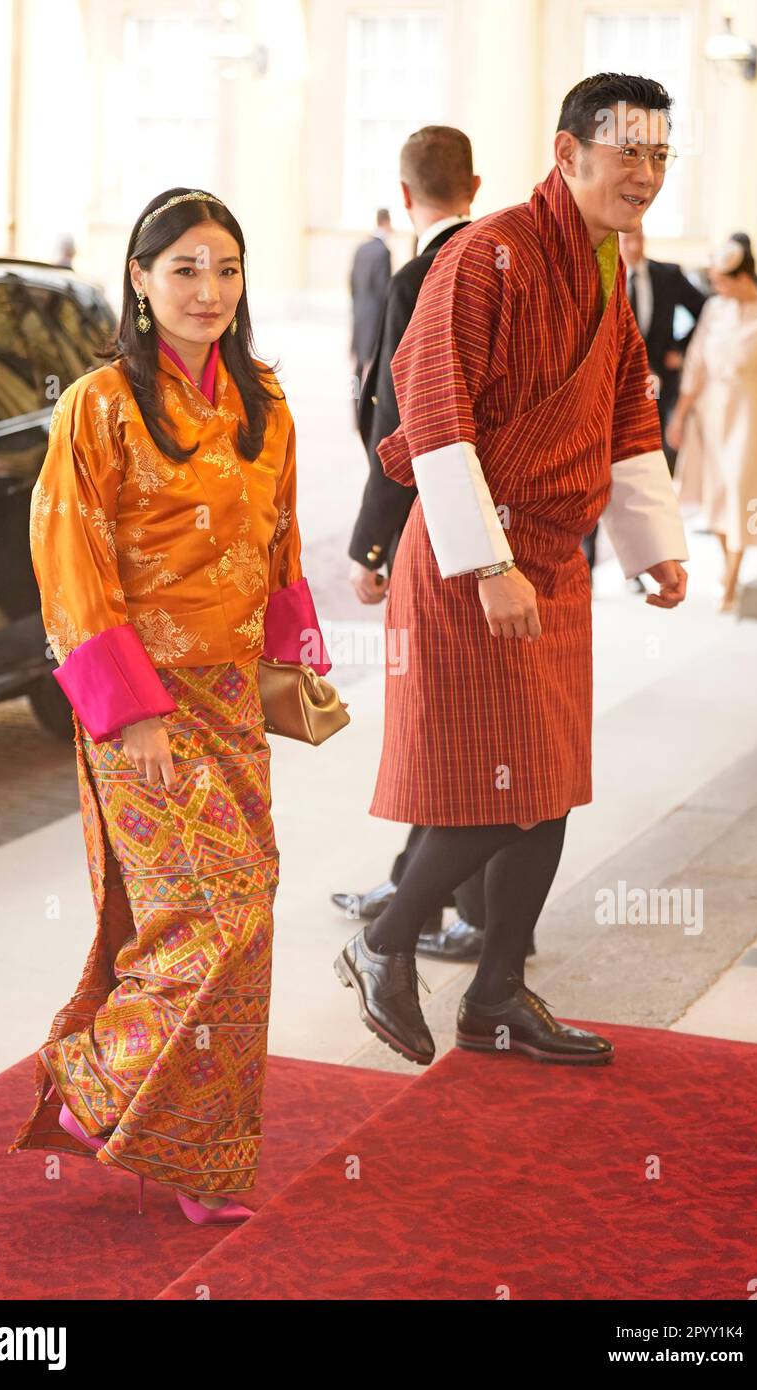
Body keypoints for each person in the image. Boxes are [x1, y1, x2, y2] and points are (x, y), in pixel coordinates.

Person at [334, 73, 689, 1068]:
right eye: (628, 152)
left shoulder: (603, 262)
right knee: (493, 789)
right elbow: (432, 409)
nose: (645, 173)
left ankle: (494, 996)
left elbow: (626, 407)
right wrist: (487, 562)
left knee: (549, 781)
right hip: (469, 559)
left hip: (550, 559)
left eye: (659, 155)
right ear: (566, 151)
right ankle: (382, 937)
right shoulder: (486, 253)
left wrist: (651, 544)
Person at [8, 186, 329, 1225]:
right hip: (141, 705)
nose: (208, 289)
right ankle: (94, 1075)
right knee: (210, 912)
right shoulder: (96, 403)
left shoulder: (266, 399)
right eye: (184, 268)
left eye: (225, 269)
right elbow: (69, 561)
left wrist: (292, 664)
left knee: (251, 905)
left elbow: (280, 546)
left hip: (232, 696)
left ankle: (194, 1152)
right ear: (140, 281)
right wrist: (127, 711)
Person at [337, 125, 500, 964]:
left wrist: (374, 545)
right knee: (475, 724)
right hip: (506, 528)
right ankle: (419, 884)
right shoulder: (512, 263)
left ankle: (446, 904)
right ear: (474, 183)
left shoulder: (420, 275)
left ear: (405, 196)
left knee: (449, 723)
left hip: (442, 533)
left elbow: (401, 421)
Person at [582, 224, 707, 587]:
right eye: (627, 240)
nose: (634, 247)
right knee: (599, 470)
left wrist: (679, 350)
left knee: (649, 470)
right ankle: (589, 562)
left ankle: (642, 562)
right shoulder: (600, 274)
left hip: (658, 391)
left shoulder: (667, 275)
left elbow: (705, 308)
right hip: (610, 391)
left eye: (639, 240)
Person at [667, 235, 757, 613]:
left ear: (741, 276)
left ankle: (731, 582)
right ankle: (727, 567)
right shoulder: (714, 309)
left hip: (751, 413)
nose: (714, 288)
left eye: (720, 280)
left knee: (739, 489)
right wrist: (680, 415)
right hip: (711, 412)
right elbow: (696, 363)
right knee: (716, 493)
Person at [349, 209, 392, 422]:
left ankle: (354, 408)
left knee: (357, 367)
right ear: (387, 223)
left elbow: (352, 283)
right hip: (375, 319)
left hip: (358, 315)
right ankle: (368, 412)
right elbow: (385, 289)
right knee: (374, 368)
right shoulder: (384, 252)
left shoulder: (361, 249)